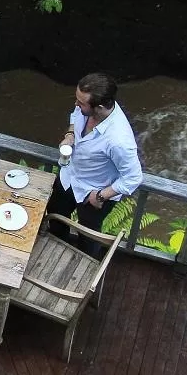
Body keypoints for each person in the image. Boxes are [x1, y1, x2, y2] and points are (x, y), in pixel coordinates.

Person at [46, 72, 143, 258]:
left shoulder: (118, 140)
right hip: (69, 177)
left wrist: (101, 195)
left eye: (81, 102)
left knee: (88, 235)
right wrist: (70, 135)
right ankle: (54, 251)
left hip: (93, 193)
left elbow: (133, 177)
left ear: (98, 107)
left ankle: (85, 266)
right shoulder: (85, 109)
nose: (76, 104)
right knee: (56, 214)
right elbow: (75, 115)